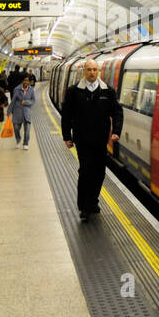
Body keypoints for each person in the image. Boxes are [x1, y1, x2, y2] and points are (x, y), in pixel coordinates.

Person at [61, 58, 123, 221]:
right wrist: (67, 136)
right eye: (89, 70)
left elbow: (117, 112)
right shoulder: (74, 91)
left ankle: (93, 200)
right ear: (84, 71)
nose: (92, 73)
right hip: (82, 140)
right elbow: (66, 115)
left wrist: (116, 131)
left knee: (99, 173)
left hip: (101, 140)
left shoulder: (107, 92)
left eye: (95, 70)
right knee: (86, 171)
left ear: (98, 72)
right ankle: (85, 207)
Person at [10, 75, 36, 150]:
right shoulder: (16, 89)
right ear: (22, 81)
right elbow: (13, 101)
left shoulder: (31, 90)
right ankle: (18, 139)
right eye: (24, 80)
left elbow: (33, 101)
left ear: (29, 82)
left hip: (27, 112)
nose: (26, 82)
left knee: (27, 130)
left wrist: (26, 102)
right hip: (18, 112)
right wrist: (9, 111)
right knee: (16, 128)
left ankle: (25, 143)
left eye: (27, 80)